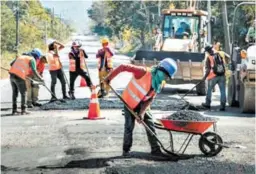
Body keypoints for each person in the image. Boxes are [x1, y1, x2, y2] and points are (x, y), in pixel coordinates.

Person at [104, 58, 178, 159]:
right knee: (129, 126)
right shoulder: (143, 72)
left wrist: (142, 113)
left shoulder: (160, 83)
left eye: (167, 77)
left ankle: (156, 150)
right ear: (160, 69)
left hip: (143, 104)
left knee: (150, 124)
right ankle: (126, 151)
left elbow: (150, 99)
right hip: (129, 102)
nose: (165, 78)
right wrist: (109, 77)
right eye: (165, 75)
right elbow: (122, 67)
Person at [202, 45, 226, 111]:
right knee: (223, 91)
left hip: (213, 77)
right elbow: (225, 62)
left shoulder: (208, 58)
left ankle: (207, 104)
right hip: (222, 75)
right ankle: (223, 106)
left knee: (209, 90)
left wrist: (204, 77)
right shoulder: (219, 54)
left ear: (207, 51)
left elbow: (208, 70)